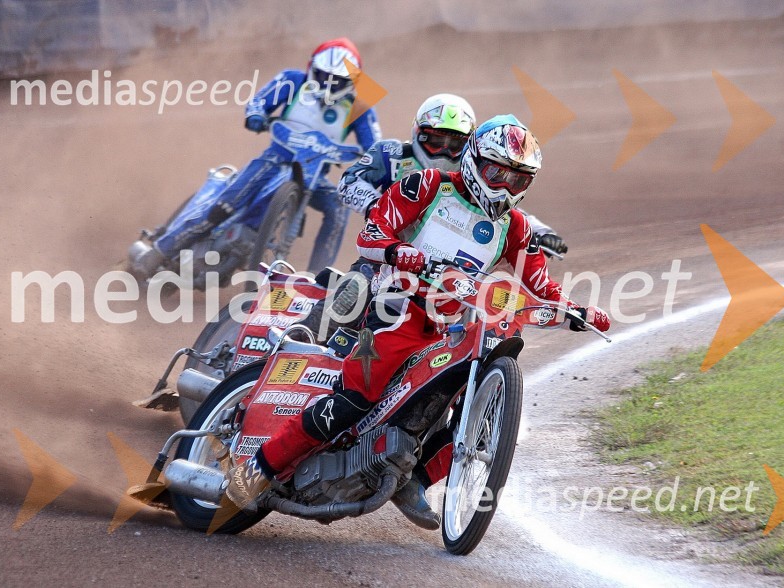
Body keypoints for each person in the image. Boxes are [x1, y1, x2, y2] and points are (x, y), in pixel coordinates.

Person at [227, 115, 610, 528]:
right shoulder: (428, 186)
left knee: (467, 409)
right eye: (497, 173)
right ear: (473, 160)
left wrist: (577, 310)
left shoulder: (515, 227)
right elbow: (371, 234)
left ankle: (414, 479)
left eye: (518, 180)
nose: (504, 187)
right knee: (354, 400)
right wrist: (398, 251)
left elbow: (540, 284)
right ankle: (258, 468)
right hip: (396, 308)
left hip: (448, 328)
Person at [301, 95, 568, 342]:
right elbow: (349, 181)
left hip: (455, 272)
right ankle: (304, 336)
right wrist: (375, 207)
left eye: (455, 144)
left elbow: (504, 213)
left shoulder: (476, 173)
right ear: (418, 133)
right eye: (436, 141)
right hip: (388, 256)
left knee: (483, 312)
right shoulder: (392, 154)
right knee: (355, 287)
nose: (444, 151)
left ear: (470, 147)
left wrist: (542, 232)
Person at [151, 38, 382, 273]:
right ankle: (160, 252)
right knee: (228, 203)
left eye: (339, 80)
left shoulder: (361, 106)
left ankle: (318, 278)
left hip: (314, 176)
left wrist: (377, 164)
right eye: (325, 76)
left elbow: (375, 146)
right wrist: (256, 116)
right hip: (274, 160)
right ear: (312, 68)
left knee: (338, 206)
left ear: (354, 81)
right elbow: (259, 102)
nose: (331, 84)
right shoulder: (293, 80)